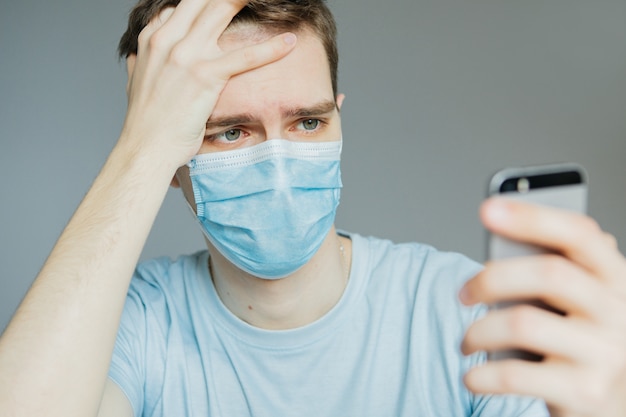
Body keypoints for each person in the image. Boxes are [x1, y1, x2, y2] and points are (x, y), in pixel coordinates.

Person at [0, 0, 625, 416]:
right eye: (231, 131)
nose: (278, 161)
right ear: (170, 158)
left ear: (337, 119)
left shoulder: (466, 312)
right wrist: (140, 147)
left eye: (306, 121)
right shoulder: (129, 325)